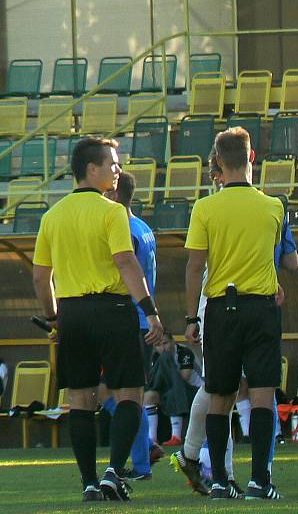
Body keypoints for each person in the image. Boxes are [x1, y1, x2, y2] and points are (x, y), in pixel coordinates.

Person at [31, 137, 164, 502]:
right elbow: (125, 262)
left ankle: (89, 481)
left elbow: (42, 277)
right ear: (92, 169)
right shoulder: (112, 212)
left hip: (72, 313)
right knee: (130, 394)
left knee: (80, 398)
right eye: (113, 164)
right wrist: (150, 311)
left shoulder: (52, 215)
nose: (117, 170)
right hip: (113, 310)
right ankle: (113, 471)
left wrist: (54, 317)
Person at [183, 127, 283, 501]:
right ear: (251, 156)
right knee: (260, 393)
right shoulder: (273, 206)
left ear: (218, 162)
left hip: (221, 309)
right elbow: (266, 254)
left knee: (220, 395)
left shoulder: (205, 208)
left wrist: (192, 318)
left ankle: (222, 481)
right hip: (261, 307)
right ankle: (260, 480)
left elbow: (195, 267)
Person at [102, 171, 163, 480]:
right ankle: (145, 448)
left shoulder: (123, 230)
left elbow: (125, 273)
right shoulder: (143, 227)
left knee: (118, 395)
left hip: (130, 319)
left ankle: (142, 461)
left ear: (113, 195)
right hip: (143, 319)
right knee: (120, 393)